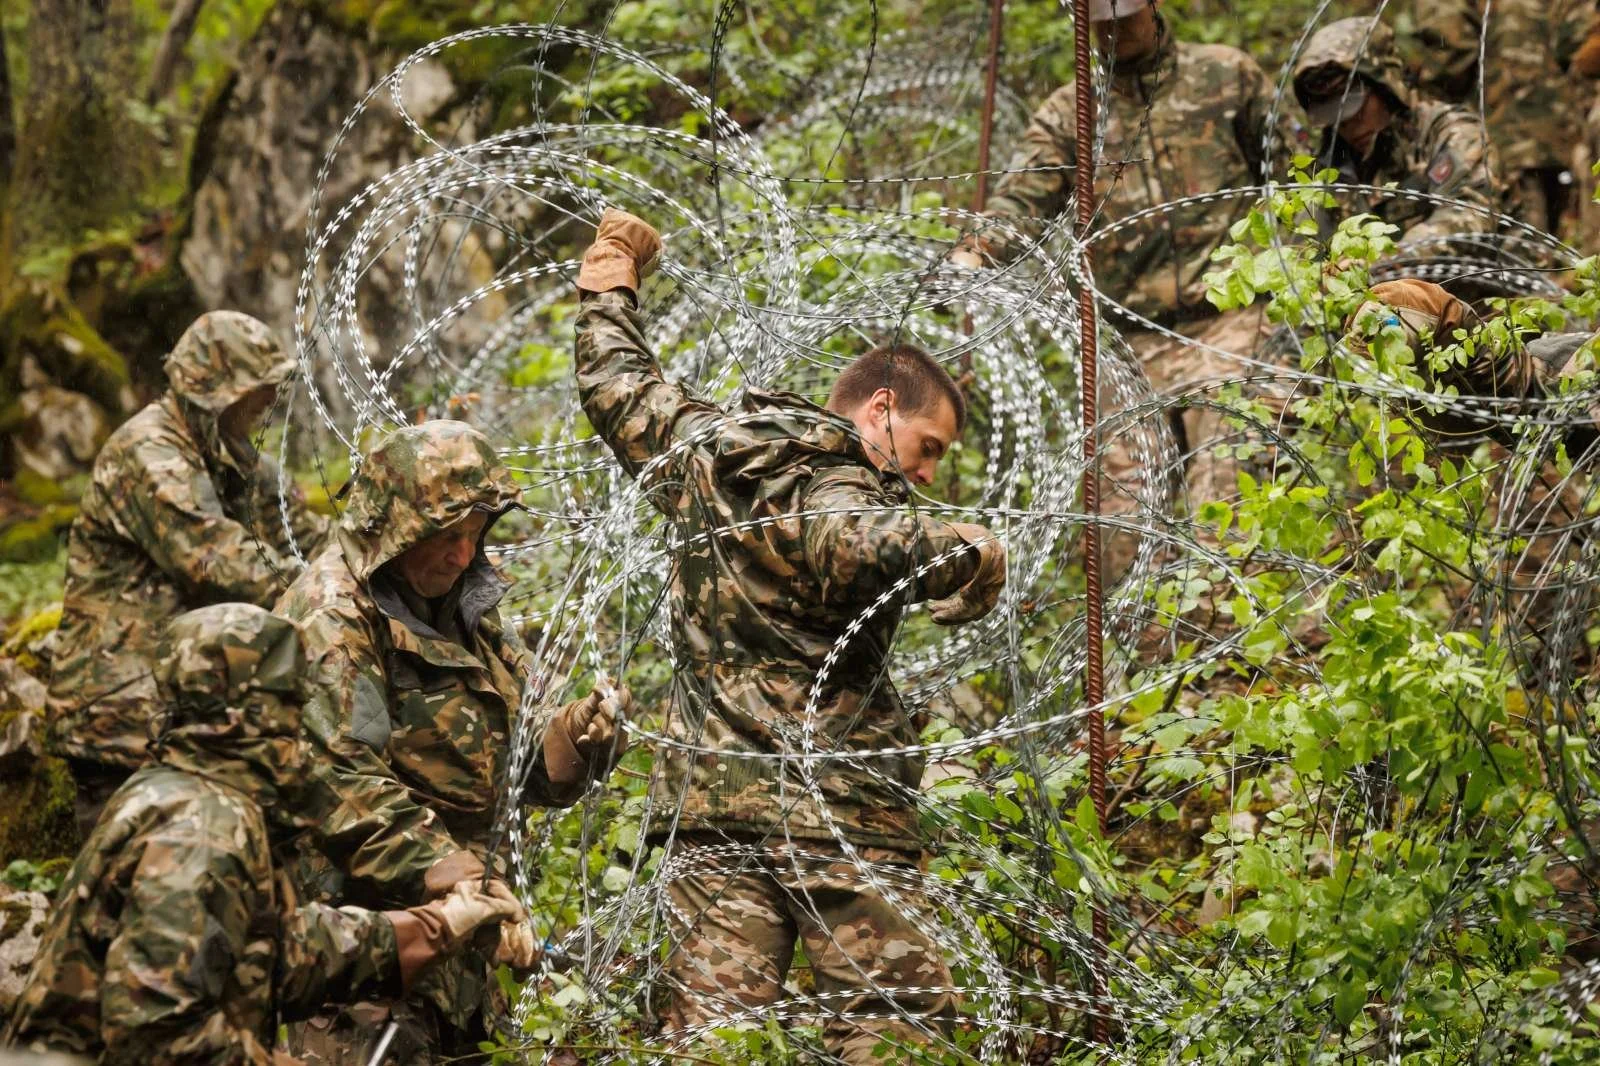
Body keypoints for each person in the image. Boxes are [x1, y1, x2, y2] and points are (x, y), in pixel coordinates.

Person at [574, 208, 1006, 1064]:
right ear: (879, 409)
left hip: (711, 808)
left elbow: (617, 384)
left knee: (707, 1043)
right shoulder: (844, 486)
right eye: (926, 448)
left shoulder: (709, 453)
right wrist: (969, 546)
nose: (926, 474)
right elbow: (846, 540)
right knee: (895, 1034)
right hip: (835, 812)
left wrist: (611, 272)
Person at [4, 603, 533, 1063]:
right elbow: (158, 1037)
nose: (303, 726)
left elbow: (269, 950)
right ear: (258, 712)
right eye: (292, 702)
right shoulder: (201, 829)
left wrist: (435, 927)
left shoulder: (184, 791)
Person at [275, 418, 631, 1061]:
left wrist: (579, 733)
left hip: (465, 949)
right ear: (396, 528)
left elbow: (522, 755)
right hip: (368, 952)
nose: (463, 555)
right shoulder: (332, 618)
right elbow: (339, 786)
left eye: (475, 533)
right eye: (446, 536)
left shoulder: (463, 605)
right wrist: (460, 881)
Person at [950, 0, 1299, 516]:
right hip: (1128, 340)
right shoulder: (1072, 110)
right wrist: (976, 251)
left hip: (1231, 320)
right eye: (1102, 21)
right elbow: (1023, 198)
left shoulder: (1227, 75)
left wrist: (1304, 269)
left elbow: (1293, 175)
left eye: (1125, 15)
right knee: (1125, 520)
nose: (1114, 29)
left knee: (1230, 494)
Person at [46, 311, 328, 835]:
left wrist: (369, 554)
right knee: (134, 872)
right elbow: (216, 559)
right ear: (211, 394)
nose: (269, 401)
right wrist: (326, 589)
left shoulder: (235, 456)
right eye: (257, 390)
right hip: (123, 713)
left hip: (190, 708)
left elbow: (302, 534)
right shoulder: (148, 452)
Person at [1293, 17, 1509, 246]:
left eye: (1355, 108)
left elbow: (1468, 216)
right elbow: (1304, 248)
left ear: (1386, 90)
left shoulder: (1450, 133)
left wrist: (1391, 260)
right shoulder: (1334, 169)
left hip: (1492, 267)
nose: (1347, 124)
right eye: (1333, 115)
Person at [1402, 0, 1591, 235]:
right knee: (1557, 238)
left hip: (1505, 135)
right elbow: (1577, 42)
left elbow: (1452, 52)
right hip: (1561, 131)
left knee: (1526, 244)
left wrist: (1416, 83)